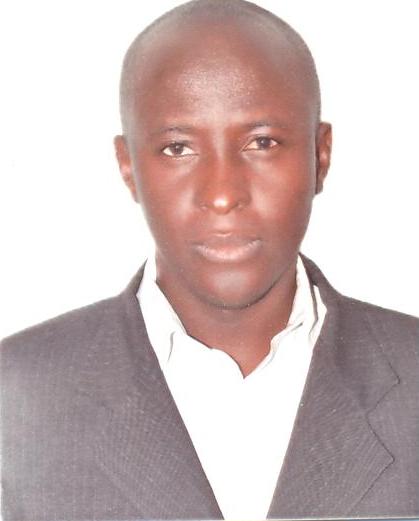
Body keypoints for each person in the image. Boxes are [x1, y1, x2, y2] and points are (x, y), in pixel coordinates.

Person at [1, 1, 418, 520]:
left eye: (262, 143)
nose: (222, 195)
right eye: (178, 149)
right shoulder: (14, 399)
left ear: (320, 155)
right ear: (128, 167)